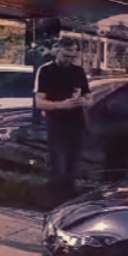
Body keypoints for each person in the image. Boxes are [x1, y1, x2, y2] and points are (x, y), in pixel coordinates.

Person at [35, 37, 91, 206]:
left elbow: (88, 95)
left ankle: (69, 199)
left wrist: (85, 101)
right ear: (57, 51)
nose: (69, 60)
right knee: (59, 163)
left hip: (77, 121)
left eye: (72, 56)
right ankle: (54, 200)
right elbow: (40, 103)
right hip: (57, 122)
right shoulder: (46, 71)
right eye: (66, 55)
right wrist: (62, 105)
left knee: (73, 163)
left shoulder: (78, 71)